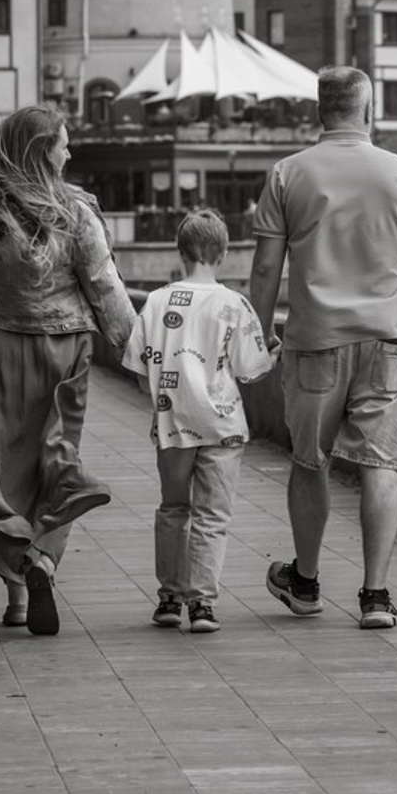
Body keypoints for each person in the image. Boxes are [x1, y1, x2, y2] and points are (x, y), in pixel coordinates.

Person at [0, 105, 135, 636]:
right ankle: (43, 562)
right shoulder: (75, 210)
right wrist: (139, 351)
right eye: (63, 143)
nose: (70, 151)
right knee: (56, 466)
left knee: (3, 473)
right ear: (41, 151)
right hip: (61, 352)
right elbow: (105, 287)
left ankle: (17, 596)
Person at [248, 66, 397, 630]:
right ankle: (375, 595)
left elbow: (264, 267)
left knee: (310, 462)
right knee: (381, 466)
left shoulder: (288, 173)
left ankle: (304, 582)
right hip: (387, 339)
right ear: (368, 107)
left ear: (319, 110)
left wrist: (261, 330)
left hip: (314, 339)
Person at [125, 210, 274, 634]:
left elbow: (140, 371)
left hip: (173, 424)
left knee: (173, 508)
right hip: (223, 425)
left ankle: (170, 597)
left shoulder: (156, 301)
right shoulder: (233, 304)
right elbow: (251, 370)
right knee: (212, 516)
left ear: (180, 251)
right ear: (223, 254)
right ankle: (203, 605)